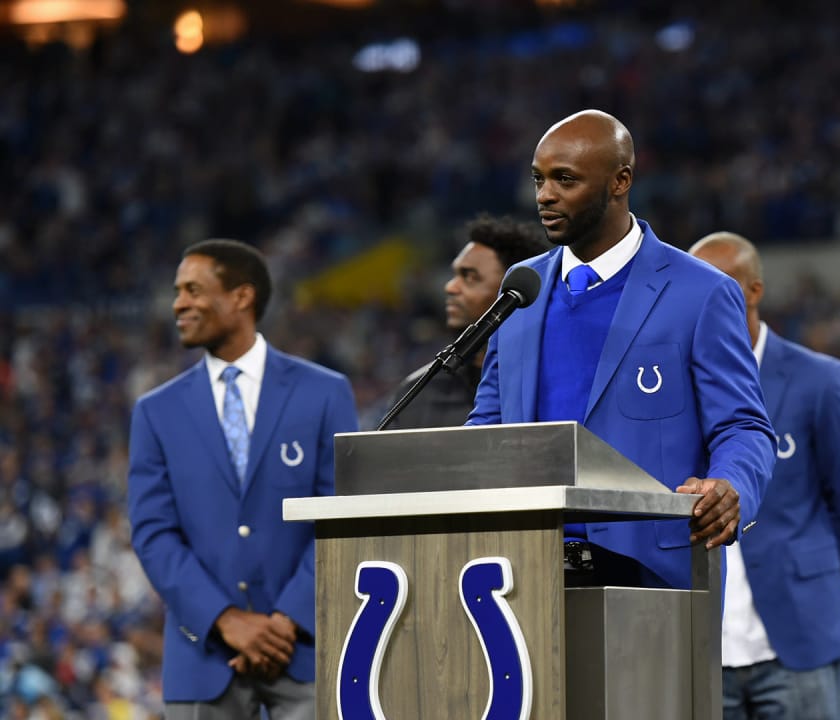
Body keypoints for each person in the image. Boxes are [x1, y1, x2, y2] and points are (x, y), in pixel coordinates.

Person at [466, 109, 775, 589]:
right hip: (524, 572)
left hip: (654, 577)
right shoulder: (521, 289)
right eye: (538, 179)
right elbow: (488, 425)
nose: (544, 196)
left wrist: (730, 484)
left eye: (564, 180)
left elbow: (743, 425)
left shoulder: (701, 292)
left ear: (620, 180)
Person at [128, 239, 358, 718]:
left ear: (241, 296)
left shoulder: (324, 393)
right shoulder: (155, 412)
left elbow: (341, 519)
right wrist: (226, 620)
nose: (179, 303)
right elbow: (152, 534)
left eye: (193, 289)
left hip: (306, 651)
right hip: (202, 655)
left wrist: (286, 620)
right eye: (177, 291)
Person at [689, 231, 840, 719]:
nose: (703, 296)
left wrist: (815, 575)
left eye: (721, 283)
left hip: (798, 634)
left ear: (755, 290)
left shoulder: (819, 379)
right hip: (702, 643)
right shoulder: (671, 382)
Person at [386, 214, 548, 428]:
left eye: (470, 277)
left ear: (516, 288)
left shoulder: (548, 383)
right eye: (455, 275)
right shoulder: (418, 392)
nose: (450, 287)